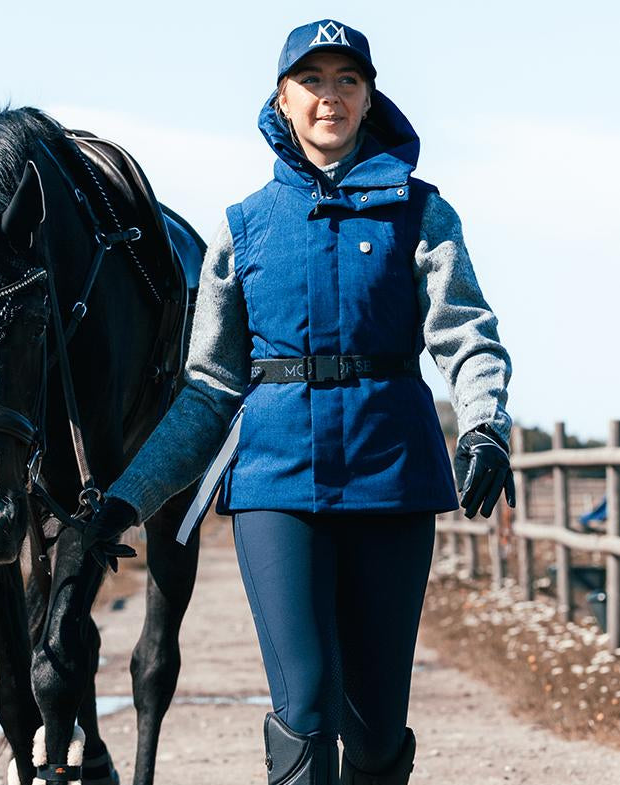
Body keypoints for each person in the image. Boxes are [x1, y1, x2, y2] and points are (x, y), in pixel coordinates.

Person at [84, 19, 515, 785]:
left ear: (369, 97)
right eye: (310, 81)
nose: (329, 96)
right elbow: (208, 390)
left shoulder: (422, 215)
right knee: (305, 710)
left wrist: (484, 424)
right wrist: (126, 498)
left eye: (347, 80)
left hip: (392, 479)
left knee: (374, 733)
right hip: (277, 487)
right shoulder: (242, 227)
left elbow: (464, 332)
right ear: (281, 99)